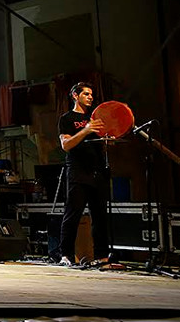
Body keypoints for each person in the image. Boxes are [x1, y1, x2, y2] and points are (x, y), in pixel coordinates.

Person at [57, 82, 110, 266]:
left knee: (100, 216)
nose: (90, 97)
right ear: (75, 95)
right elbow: (66, 145)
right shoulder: (67, 118)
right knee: (73, 214)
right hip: (78, 172)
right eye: (86, 93)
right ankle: (66, 255)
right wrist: (86, 130)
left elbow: (104, 139)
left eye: (91, 94)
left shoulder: (95, 117)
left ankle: (102, 257)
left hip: (98, 171)